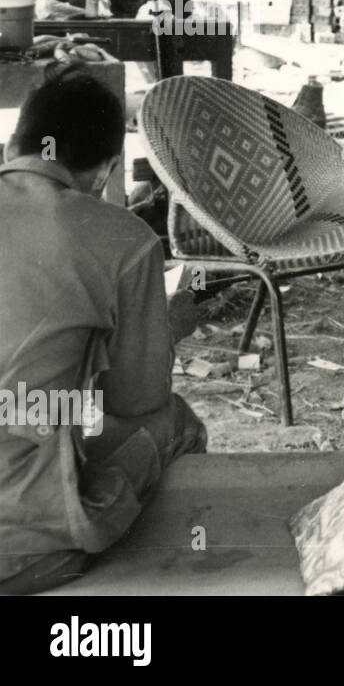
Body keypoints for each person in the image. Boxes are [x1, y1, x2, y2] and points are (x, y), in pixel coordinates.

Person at [0, 68, 206, 595]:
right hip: (21, 554)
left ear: (11, 146)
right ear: (106, 170)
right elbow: (137, 401)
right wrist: (165, 330)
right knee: (175, 423)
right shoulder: (123, 240)